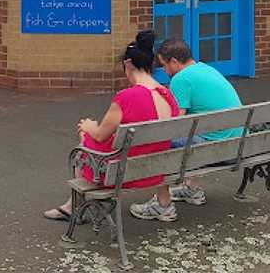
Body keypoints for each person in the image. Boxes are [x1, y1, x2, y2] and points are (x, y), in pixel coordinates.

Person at [44, 30, 181, 223]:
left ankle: (73, 206)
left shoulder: (127, 97)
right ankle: (163, 202)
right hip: (156, 168)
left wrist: (88, 125)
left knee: (86, 136)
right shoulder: (168, 96)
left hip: (122, 172)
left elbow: (100, 135)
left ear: (127, 64)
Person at [130, 38, 241, 217]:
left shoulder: (181, 79)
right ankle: (192, 188)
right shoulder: (207, 69)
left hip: (219, 149)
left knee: (157, 139)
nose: (164, 71)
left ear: (174, 61)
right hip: (238, 144)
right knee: (198, 128)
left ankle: (162, 204)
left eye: (164, 65)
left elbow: (175, 124)